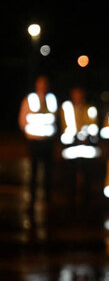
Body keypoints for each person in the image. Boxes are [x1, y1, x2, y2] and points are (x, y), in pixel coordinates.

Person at [18, 74, 58, 213]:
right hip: (34, 142)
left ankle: (47, 201)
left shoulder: (51, 100)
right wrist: (29, 134)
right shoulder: (29, 100)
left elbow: (55, 119)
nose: (43, 86)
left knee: (48, 173)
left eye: (45, 83)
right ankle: (32, 201)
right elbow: (22, 120)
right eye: (40, 83)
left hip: (48, 142)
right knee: (33, 172)